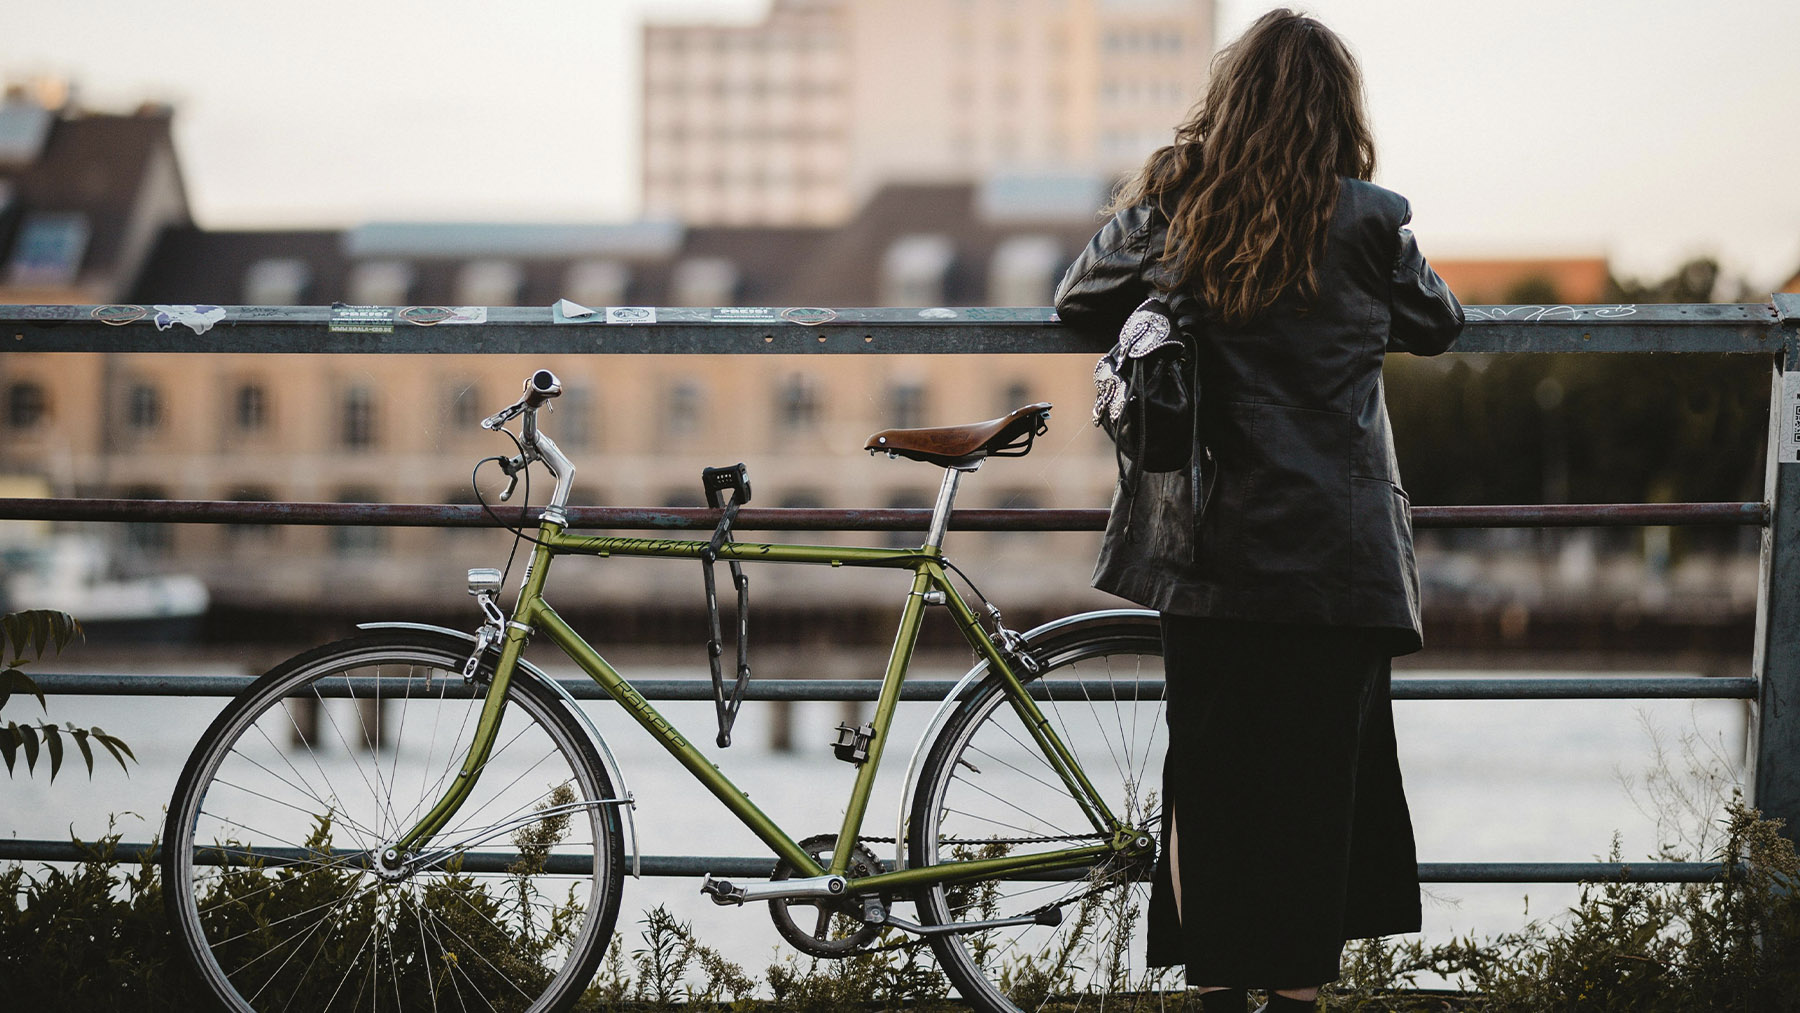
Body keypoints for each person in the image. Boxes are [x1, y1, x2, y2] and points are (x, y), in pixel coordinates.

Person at [1053, 9, 1464, 1012]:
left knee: (1215, 788)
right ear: (1338, 114)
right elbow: (1439, 324)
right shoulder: (1371, 221)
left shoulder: (1183, 209)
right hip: (1341, 557)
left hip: (1214, 549)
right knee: (1316, 801)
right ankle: (1293, 998)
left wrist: (1168, 179)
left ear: (1227, 106)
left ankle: (1221, 991)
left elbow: (1079, 297)